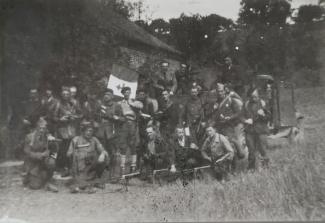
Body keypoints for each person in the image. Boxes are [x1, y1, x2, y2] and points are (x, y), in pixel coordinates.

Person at [67, 121, 109, 193]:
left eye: (91, 131)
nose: (89, 133)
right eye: (87, 131)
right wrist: (76, 154)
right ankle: (88, 185)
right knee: (80, 184)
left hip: (91, 167)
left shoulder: (94, 139)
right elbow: (68, 154)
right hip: (79, 169)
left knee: (105, 158)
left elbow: (103, 151)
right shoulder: (76, 140)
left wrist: (102, 154)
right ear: (83, 131)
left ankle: (96, 180)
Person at [211, 83, 246, 160]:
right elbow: (214, 116)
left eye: (221, 91)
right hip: (218, 126)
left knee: (230, 141)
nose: (220, 93)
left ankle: (239, 151)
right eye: (218, 92)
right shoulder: (216, 103)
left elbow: (238, 113)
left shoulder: (230, 100)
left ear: (224, 91)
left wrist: (230, 117)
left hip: (228, 126)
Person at [23, 118, 59, 192]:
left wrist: (50, 152)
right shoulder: (29, 137)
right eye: (40, 128)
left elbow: (54, 150)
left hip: (43, 162)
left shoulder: (48, 137)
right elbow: (27, 152)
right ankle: (29, 176)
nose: (42, 130)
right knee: (35, 186)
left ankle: (48, 180)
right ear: (36, 127)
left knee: (52, 162)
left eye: (44, 128)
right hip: (33, 164)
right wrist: (40, 155)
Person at [54, 86, 82, 176]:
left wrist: (74, 117)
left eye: (67, 94)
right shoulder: (58, 104)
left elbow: (81, 114)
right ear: (61, 95)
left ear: (70, 94)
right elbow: (53, 117)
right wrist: (60, 119)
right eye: (64, 94)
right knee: (63, 150)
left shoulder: (74, 103)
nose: (65, 96)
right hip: (62, 130)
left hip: (72, 129)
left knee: (73, 148)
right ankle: (63, 168)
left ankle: (72, 168)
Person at [94, 88, 123, 179]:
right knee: (101, 152)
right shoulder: (99, 105)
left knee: (113, 153)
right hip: (100, 132)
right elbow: (94, 116)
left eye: (108, 94)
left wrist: (114, 118)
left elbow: (122, 119)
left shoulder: (117, 106)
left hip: (112, 132)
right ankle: (101, 173)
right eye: (105, 94)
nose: (106, 96)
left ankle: (113, 174)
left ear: (112, 96)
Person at [242, 88, 270, 170]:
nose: (253, 99)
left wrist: (262, 115)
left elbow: (269, 117)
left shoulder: (263, 103)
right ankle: (251, 168)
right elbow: (240, 116)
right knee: (251, 151)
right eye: (252, 97)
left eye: (255, 97)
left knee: (263, 150)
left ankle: (265, 167)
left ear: (258, 96)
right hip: (250, 131)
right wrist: (246, 120)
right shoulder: (246, 104)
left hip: (261, 131)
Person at [117, 86, 143, 174]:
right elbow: (117, 112)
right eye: (125, 92)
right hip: (124, 124)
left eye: (129, 92)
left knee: (133, 145)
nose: (127, 94)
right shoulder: (120, 103)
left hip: (133, 124)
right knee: (123, 145)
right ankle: (122, 167)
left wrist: (131, 103)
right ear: (123, 93)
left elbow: (140, 106)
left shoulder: (135, 102)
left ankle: (133, 166)